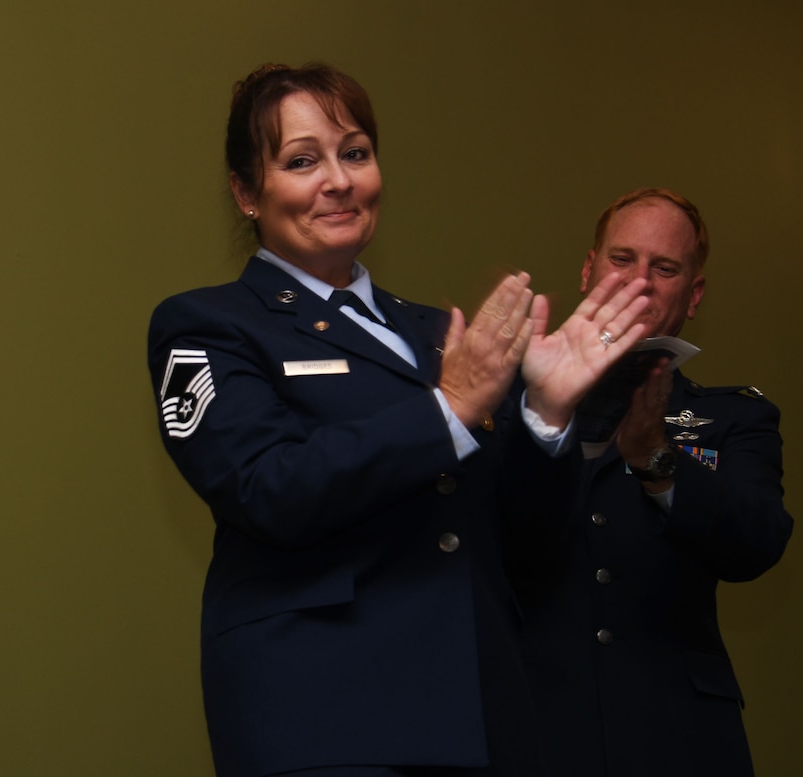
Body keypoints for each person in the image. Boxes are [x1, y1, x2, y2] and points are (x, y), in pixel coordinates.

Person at [148, 63, 649, 777]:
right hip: (325, 717)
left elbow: (530, 559)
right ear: (246, 192)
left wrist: (546, 413)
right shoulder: (207, 325)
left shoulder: (443, 336)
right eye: (301, 161)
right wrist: (448, 409)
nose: (339, 180)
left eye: (355, 153)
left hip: (482, 720)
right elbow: (266, 488)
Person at [515, 187, 794, 777]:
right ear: (589, 270)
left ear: (694, 295)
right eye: (622, 259)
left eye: (665, 268)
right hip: (538, 728)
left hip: (681, 736)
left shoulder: (734, 416)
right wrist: (545, 411)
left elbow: (757, 542)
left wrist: (656, 458)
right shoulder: (514, 399)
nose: (639, 282)